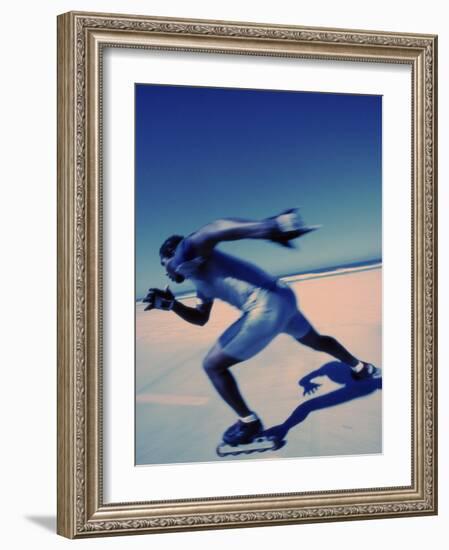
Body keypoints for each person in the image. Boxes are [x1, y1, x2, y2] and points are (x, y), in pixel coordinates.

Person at [143, 209, 381, 447]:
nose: (166, 271)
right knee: (316, 341)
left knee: (213, 366)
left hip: (264, 306)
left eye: (164, 264)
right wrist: (172, 305)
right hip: (283, 297)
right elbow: (200, 318)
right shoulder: (199, 279)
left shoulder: (184, 259)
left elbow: (212, 230)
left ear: (171, 255)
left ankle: (248, 423)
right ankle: (362, 368)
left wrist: (268, 228)